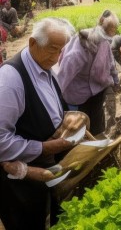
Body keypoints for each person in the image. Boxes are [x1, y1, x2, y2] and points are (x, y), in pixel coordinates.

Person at [0, 17, 76, 229]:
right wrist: (43, 147)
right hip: (19, 180)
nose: (57, 57)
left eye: (61, 50)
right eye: (53, 49)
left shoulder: (45, 67)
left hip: (46, 167)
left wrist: (66, 120)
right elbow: (0, 140)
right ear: (33, 43)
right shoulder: (10, 80)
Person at [57, 10, 121, 135]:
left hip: (97, 90)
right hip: (77, 95)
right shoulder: (78, 52)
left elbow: (111, 63)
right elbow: (63, 77)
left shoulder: (104, 43)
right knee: (77, 128)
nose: (107, 42)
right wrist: (56, 99)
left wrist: (116, 80)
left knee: (97, 123)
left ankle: (97, 142)